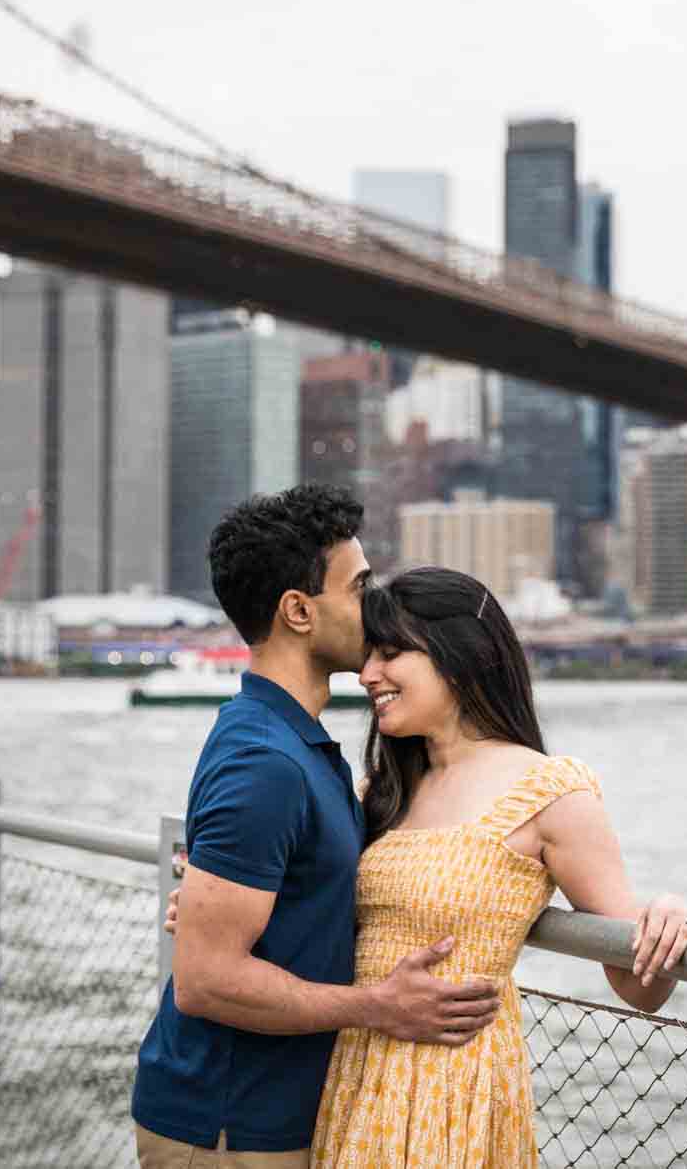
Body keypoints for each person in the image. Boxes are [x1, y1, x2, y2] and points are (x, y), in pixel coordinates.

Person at [133, 487, 502, 1168]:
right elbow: (205, 979)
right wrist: (380, 1005)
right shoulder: (264, 762)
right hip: (227, 1129)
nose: (376, 604)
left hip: (271, 1117)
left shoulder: (294, 745)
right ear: (298, 610)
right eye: (359, 585)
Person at [307, 566, 687, 1166]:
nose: (368, 674)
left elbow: (637, 986)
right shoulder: (380, 790)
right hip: (353, 1071)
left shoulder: (550, 791)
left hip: (454, 1087)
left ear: (460, 654)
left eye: (391, 653)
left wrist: (669, 916)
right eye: (369, 655)